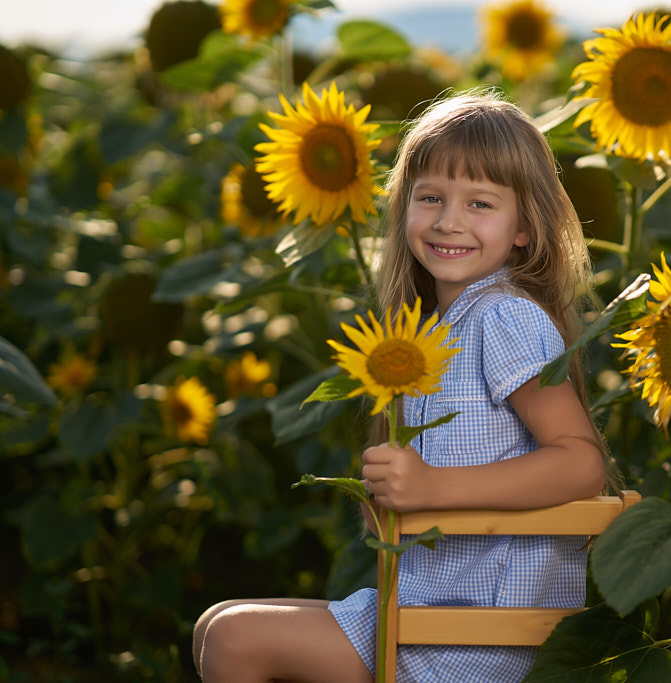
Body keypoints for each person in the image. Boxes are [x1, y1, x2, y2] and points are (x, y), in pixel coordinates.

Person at [192, 89, 616, 682]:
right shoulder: (435, 332)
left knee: (236, 640)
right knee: (219, 622)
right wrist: (390, 503)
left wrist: (430, 485)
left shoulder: (502, 316)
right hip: (430, 608)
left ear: (525, 228)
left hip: (477, 636)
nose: (449, 221)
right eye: (431, 197)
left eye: (481, 204)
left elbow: (580, 465)